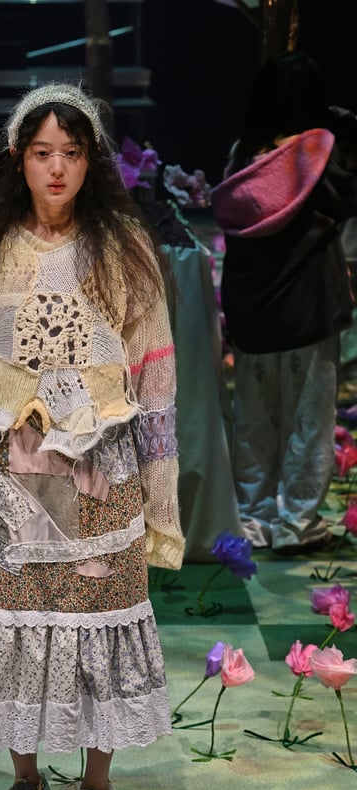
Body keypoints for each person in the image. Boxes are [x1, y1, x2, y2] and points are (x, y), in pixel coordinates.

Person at [0, 82, 185, 790]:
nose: (56, 169)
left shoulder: (125, 246)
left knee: (94, 620)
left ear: (91, 160)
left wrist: (161, 500)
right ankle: (25, 784)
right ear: (19, 158)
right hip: (7, 471)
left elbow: (155, 376)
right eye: (42, 153)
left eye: (71, 153)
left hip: (97, 468)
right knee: (12, 619)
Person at [211, 51, 357, 555]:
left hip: (254, 310)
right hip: (308, 307)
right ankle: (297, 524)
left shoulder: (242, 156)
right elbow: (349, 198)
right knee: (308, 421)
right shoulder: (317, 157)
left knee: (254, 420)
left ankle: (254, 519)